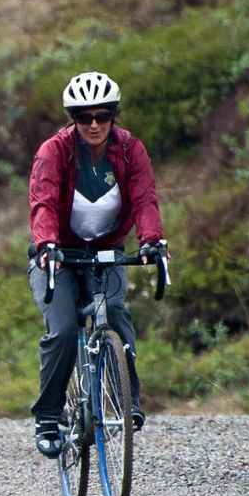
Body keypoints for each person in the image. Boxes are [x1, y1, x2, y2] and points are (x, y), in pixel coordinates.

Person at [28, 71, 168, 457]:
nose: (93, 124)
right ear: (73, 119)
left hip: (106, 251)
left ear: (113, 117)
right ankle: (48, 415)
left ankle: (128, 400)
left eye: (102, 116)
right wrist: (47, 245)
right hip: (57, 254)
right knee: (63, 330)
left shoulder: (130, 151)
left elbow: (144, 198)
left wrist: (152, 241)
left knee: (117, 314)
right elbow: (42, 201)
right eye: (84, 117)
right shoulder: (53, 152)